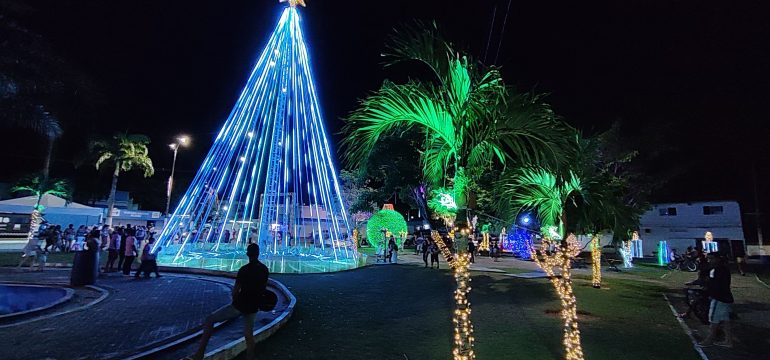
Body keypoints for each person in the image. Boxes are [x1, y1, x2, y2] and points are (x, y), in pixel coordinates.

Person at [192, 244, 269, 360]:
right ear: (258, 254)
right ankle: (250, 357)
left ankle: (199, 353)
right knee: (249, 335)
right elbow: (263, 288)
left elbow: (236, 290)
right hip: (253, 306)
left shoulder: (244, 270)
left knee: (210, 319)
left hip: (240, 305)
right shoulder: (264, 269)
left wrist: (235, 302)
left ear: (247, 254)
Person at [697, 253, 734, 348]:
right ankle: (728, 341)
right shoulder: (724, 268)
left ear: (717, 259)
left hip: (719, 298)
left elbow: (715, 285)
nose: (709, 261)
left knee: (713, 319)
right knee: (725, 320)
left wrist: (708, 291)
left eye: (711, 258)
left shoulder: (716, 270)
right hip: (726, 297)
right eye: (708, 259)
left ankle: (709, 340)